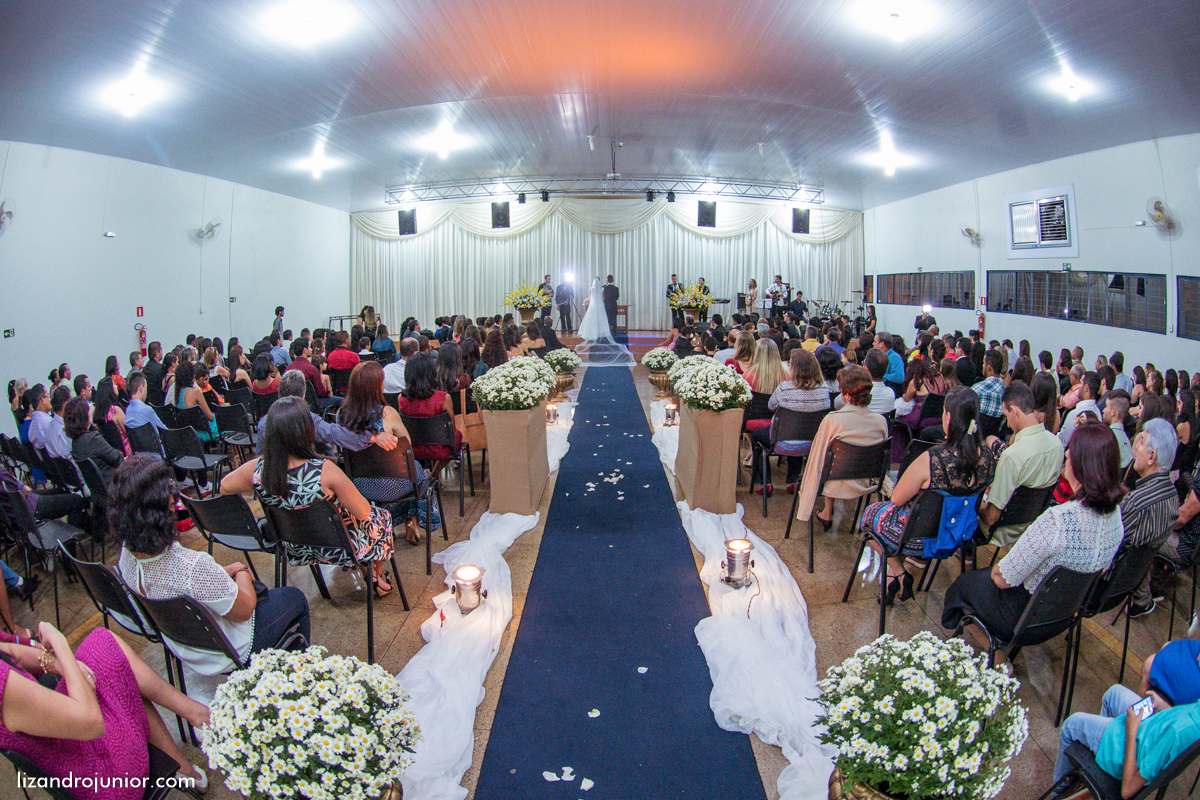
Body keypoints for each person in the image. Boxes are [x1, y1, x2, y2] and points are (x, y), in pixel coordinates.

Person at [113, 455, 310, 679]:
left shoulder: (126, 556)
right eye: (171, 508)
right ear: (158, 517)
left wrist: (222, 573)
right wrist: (241, 571)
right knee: (294, 597)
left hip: (185, 646)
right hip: (229, 651)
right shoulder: (191, 565)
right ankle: (298, 678)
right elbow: (244, 611)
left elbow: (187, 586)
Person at [944, 424, 1124, 661]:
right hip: (1061, 617)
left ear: (1082, 466)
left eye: (1072, 451)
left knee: (962, 586)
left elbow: (1002, 579)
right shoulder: (1116, 518)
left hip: (1022, 618)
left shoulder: (1058, 521)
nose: (1067, 454)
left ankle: (997, 658)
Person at [0, 619, 213, 796]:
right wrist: (59, 642)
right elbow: (90, 722)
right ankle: (199, 718)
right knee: (109, 656)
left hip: (68, 741)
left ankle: (188, 750)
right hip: (100, 777)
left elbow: (11, 651)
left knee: (104, 653)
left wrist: (60, 664)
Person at [224, 397, 396, 596]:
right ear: (305, 431)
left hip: (294, 548)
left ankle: (373, 576)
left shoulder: (258, 469)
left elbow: (225, 486)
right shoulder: (325, 471)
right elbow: (364, 512)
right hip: (339, 548)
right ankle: (377, 574)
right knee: (381, 517)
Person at [862, 387, 996, 603]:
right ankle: (891, 581)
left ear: (949, 417)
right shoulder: (988, 457)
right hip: (957, 536)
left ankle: (899, 572)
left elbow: (897, 498)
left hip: (919, 539)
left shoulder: (932, 459)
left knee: (871, 516)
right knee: (908, 517)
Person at [1054, 682, 1200, 796]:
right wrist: (1165, 708)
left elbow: (1128, 790)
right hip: (1148, 730)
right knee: (1114, 693)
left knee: (1070, 726)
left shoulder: (1179, 732)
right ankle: (1095, 767)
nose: (1197, 657)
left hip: (1130, 752)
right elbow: (1181, 720)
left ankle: (1060, 792)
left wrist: (1132, 730)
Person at [337, 362, 425, 546]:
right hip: (393, 486)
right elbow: (407, 449)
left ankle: (387, 523)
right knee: (416, 471)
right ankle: (412, 520)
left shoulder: (341, 414)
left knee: (405, 471)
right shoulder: (387, 413)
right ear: (376, 387)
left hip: (358, 486)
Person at [795, 365, 889, 529]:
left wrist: (805, 505)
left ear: (845, 393)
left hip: (833, 483)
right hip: (866, 481)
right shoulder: (881, 421)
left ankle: (827, 511)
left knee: (829, 461)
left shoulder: (833, 420)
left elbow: (816, 460)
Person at [976, 382, 1065, 549]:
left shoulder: (1013, 455)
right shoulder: (1057, 445)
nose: (1008, 423)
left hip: (999, 535)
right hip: (1030, 530)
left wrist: (977, 506)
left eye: (1006, 415)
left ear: (1014, 411)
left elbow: (991, 518)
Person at [1117, 418, 1180, 617]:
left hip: (1108, 587)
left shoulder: (1137, 502)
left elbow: (1111, 546)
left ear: (1152, 456)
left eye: (1142, 441)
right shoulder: (1172, 495)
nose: (1136, 446)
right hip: (1128, 583)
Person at [254, 370, 395, 458]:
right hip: (302, 481)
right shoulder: (307, 419)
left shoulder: (263, 422)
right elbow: (335, 434)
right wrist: (372, 437)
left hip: (275, 483)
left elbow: (260, 456)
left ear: (279, 394)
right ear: (303, 395)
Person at [750, 349, 831, 494]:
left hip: (782, 440)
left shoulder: (784, 388)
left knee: (757, 436)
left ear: (794, 368)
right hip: (812, 444)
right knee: (800, 431)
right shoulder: (824, 389)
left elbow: (770, 406)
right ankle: (793, 479)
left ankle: (765, 481)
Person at [399, 355, 463, 464]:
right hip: (438, 450)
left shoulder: (401, 398)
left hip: (413, 449)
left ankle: (427, 475)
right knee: (456, 435)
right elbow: (451, 430)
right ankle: (434, 475)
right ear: (432, 372)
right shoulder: (443, 398)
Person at [64, 397, 123, 485]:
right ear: (84, 416)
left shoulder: (75, 443)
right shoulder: (93, 439)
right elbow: (117, 459)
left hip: (99, 491)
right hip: (114, 484)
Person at [288, 338, 342, 412]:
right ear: (304, 350)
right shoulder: (311, 368)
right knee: (341, 401)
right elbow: (320, 392)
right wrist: (328, 393)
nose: (310, 349)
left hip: (293, 404)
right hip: (312, 403)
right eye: (309, 347)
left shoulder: (288, 368)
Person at [173, 361, 218, 443]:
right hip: (206, 433)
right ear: (191, 376)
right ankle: (236, 454)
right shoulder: (195, 392)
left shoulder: (177, 393)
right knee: (227, 417)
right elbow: (210, 417)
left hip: (190, 432)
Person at [1059, 371, 1101, 446]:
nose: (1078, 386)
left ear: (1086, 388)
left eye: (1081, 383)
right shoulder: (1098, 413)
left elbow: (1062, 441)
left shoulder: (1075, 414)